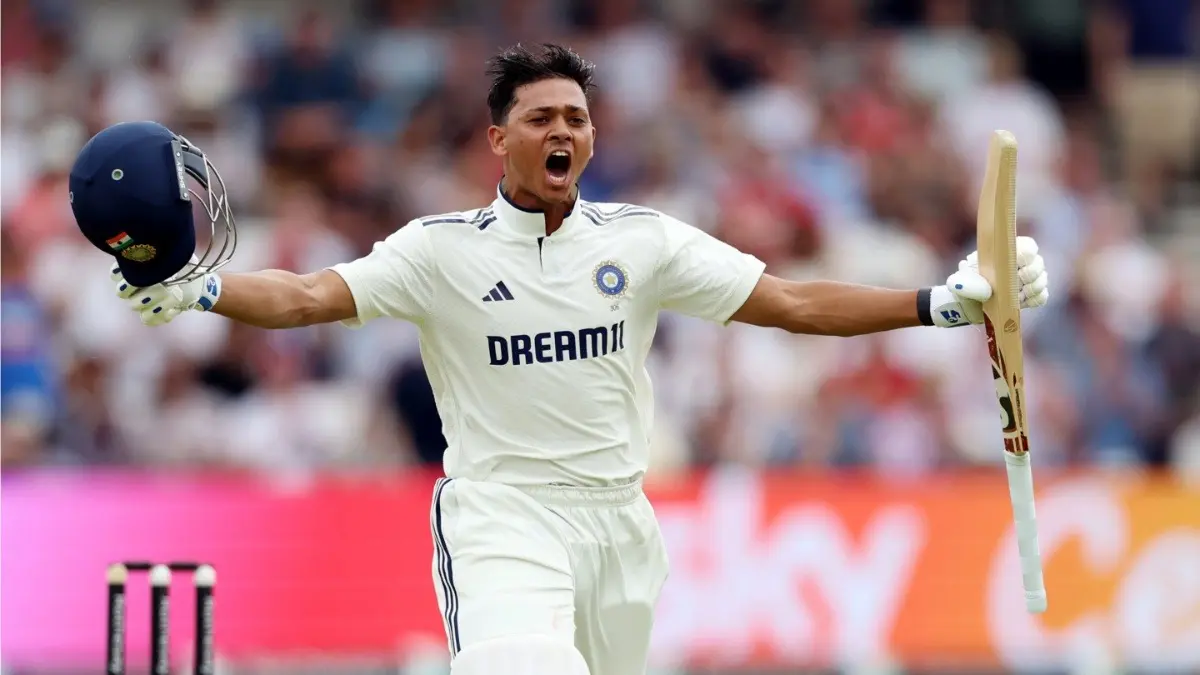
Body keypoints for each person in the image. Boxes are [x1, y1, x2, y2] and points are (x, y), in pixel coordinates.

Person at [70, 44, 1049, 675]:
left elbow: (790, 302)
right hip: (503, 516)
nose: (564, 132)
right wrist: (198, 288)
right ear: (500, 140)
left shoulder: (641, 240)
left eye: (577, 119)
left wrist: (942, 302)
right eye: (542, 118)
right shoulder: (440, 249)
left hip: (620, 526)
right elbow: (309, 294)